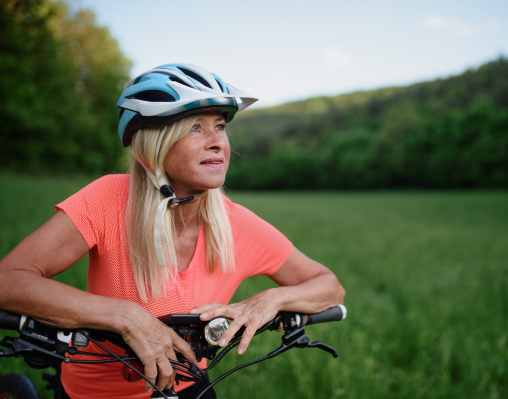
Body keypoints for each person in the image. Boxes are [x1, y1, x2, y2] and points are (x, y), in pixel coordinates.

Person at [0, 63, 345, 399]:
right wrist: (125, 316)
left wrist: (269, 300)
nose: (217, 142)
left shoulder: (238, 224)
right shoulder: (107, 199)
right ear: (155, 145)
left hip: (189, 387)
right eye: (195, 127)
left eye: (220, 126)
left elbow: (329, 285)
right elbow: (8, 280)